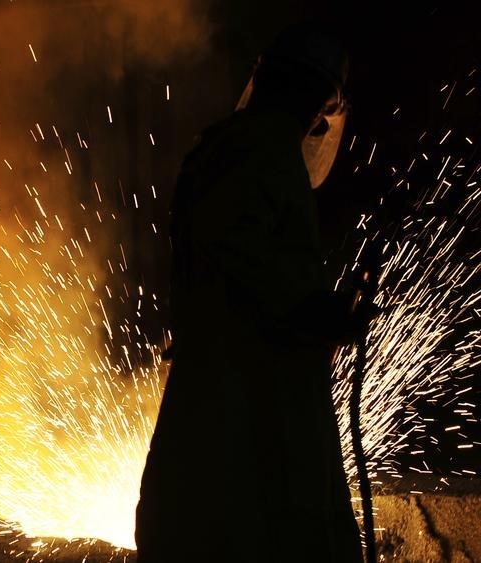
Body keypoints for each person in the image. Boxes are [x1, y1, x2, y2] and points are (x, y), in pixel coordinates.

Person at [135, 22, 372, 562]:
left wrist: (320, 312)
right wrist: (316, 313)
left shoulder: (228, 148)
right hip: (249, 421)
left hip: (219, 410)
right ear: (319, 105)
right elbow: (238, 253)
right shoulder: (261, 149)